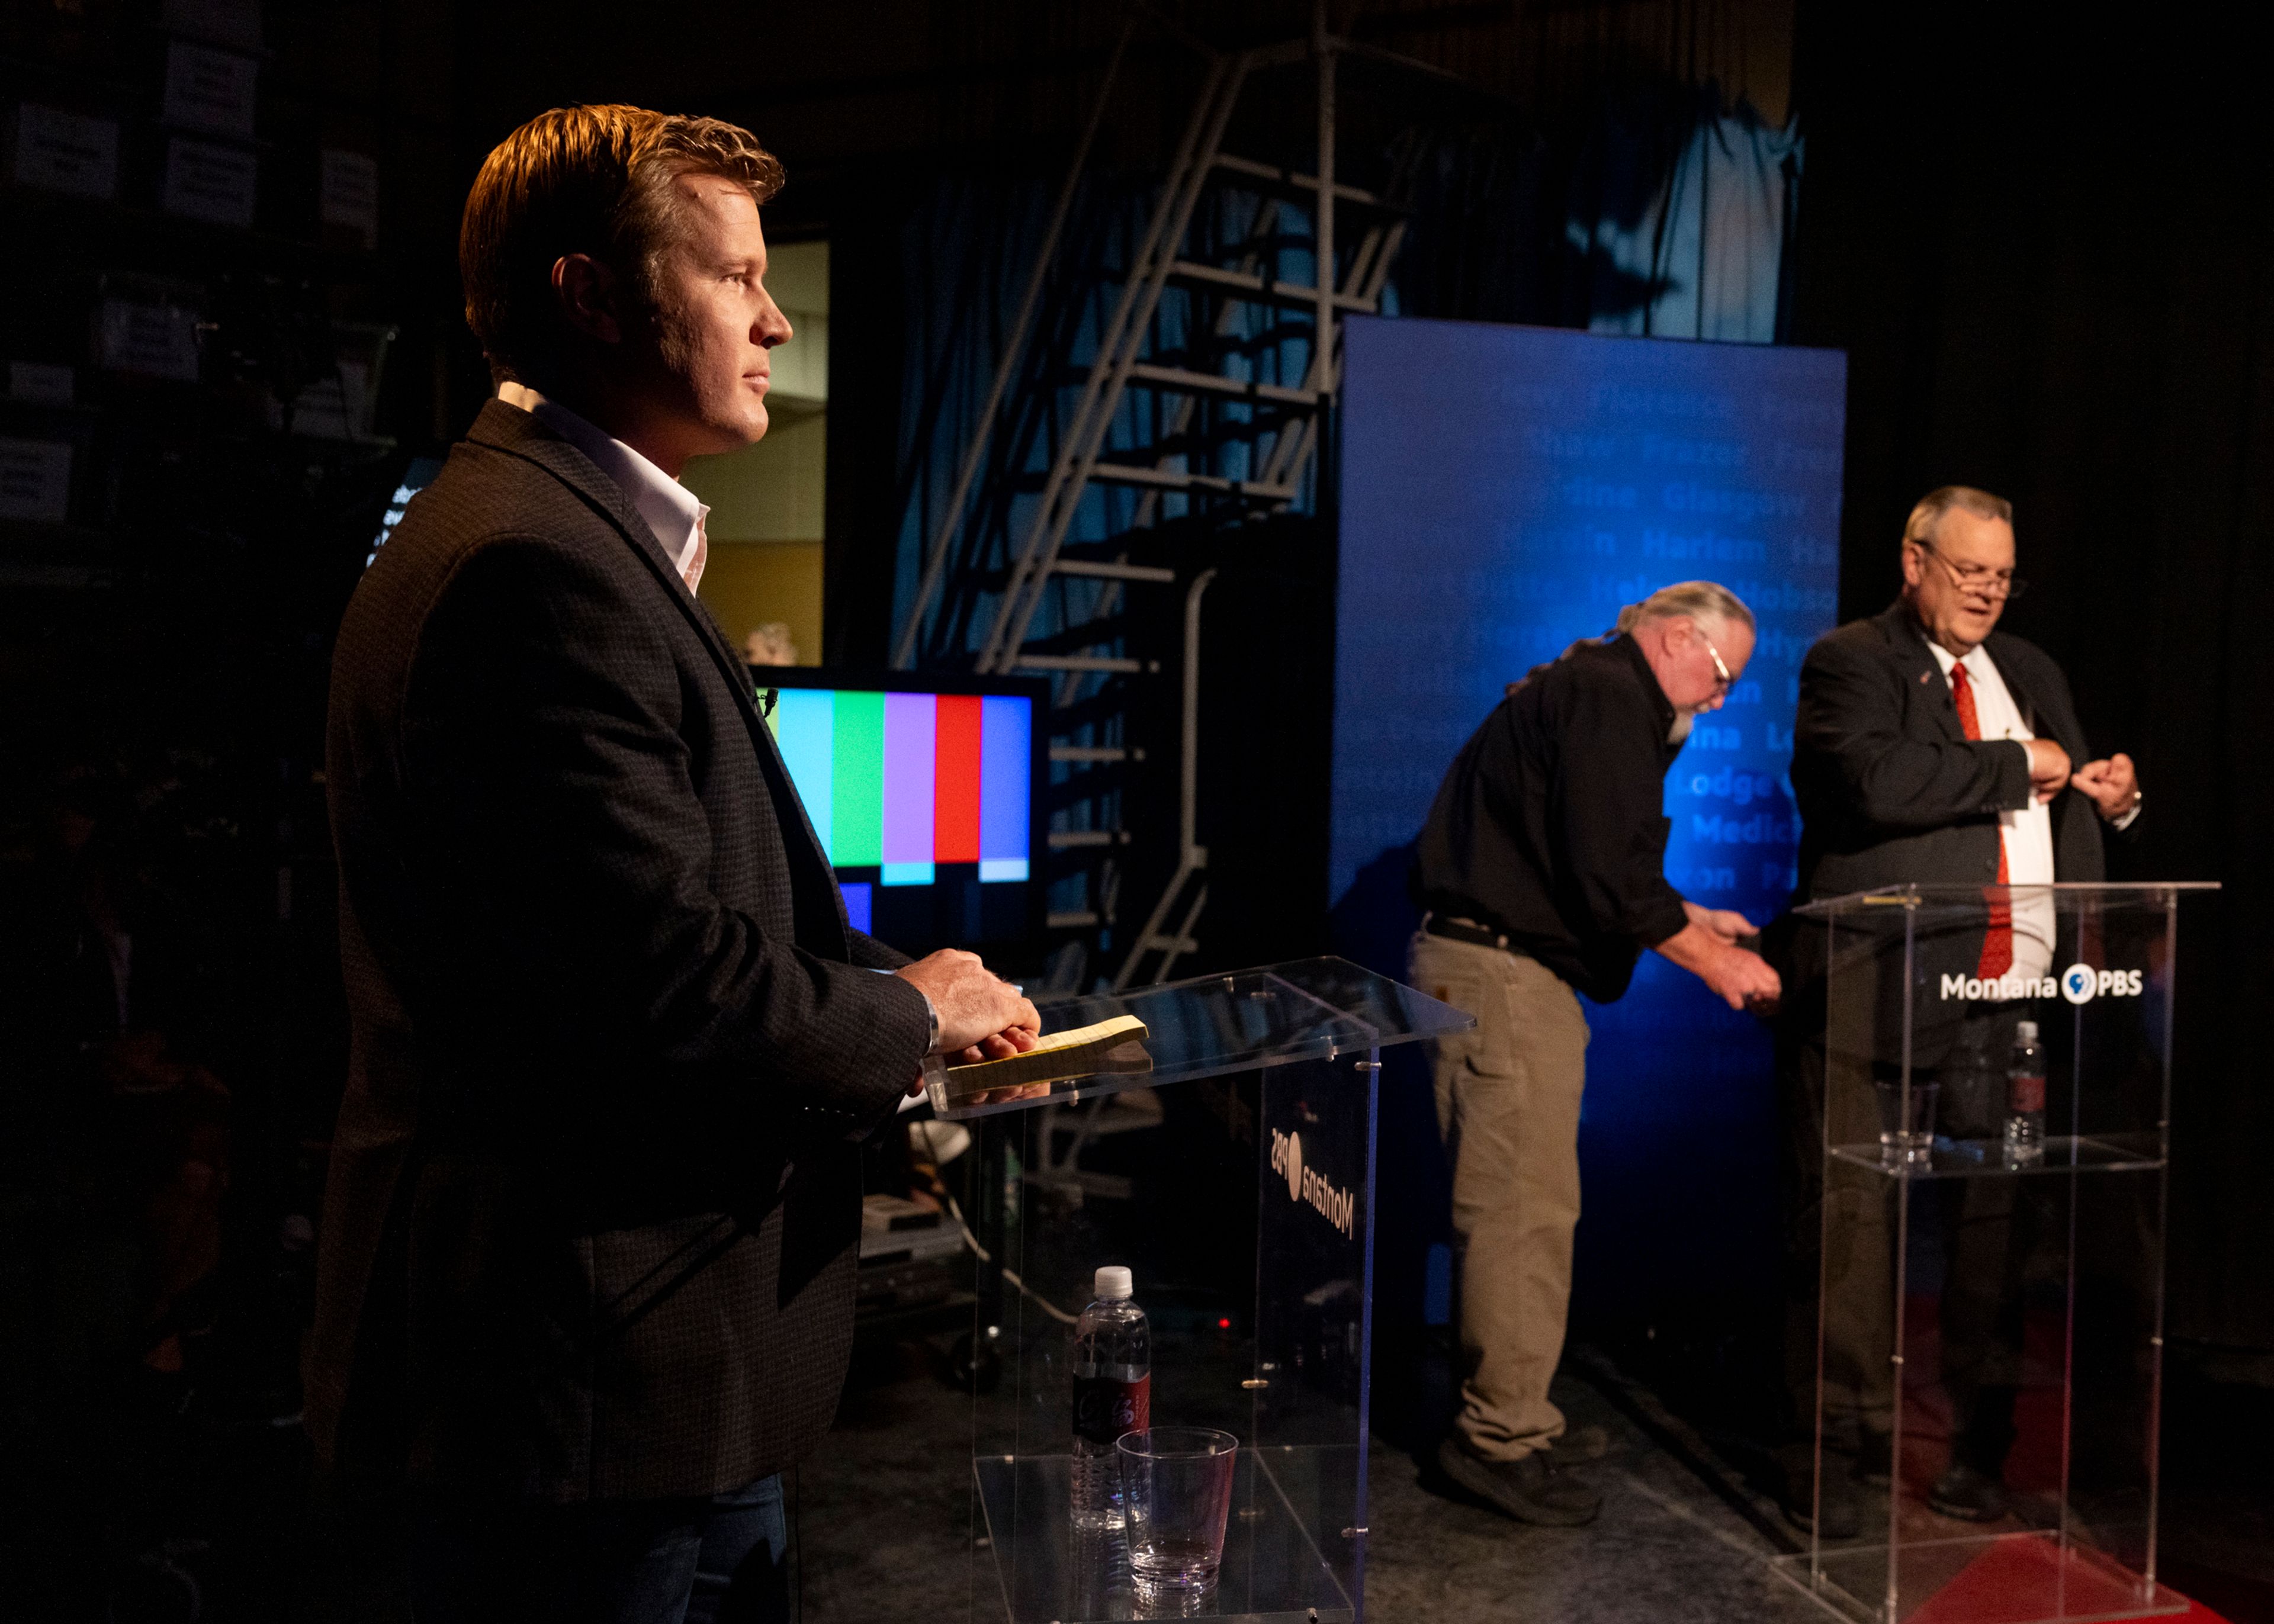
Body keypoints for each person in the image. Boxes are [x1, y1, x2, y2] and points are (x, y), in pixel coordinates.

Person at [307, 105, 1040, 1624]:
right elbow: (659, 982)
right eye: (734, 278)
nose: (776, 318)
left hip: (646, 1371)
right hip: (577, 1383)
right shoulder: (530, 571)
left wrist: (903, 1019)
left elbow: (639, 929)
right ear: (590, 294)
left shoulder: (579, 537)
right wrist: (907, 1022)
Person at [1777, 484, 2141, 1533]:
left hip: (2012, 998)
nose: (1988, 591)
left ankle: (1979, 1450)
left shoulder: (2030, 670)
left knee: (1999, 1234)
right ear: (1915, 562)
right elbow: (1874, 781)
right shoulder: (1853, 662)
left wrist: (2109, 798)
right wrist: (2019, 766)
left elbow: (2066, 786)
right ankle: (1836, 1455)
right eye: (1969, 570)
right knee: (1849, 1228)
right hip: (1877, 989)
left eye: (2002, 574)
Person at [1408, 581, 1783, 1526]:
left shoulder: (1590, 692)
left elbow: (1580, 851)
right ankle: (1498, 1442)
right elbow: (1607, 875)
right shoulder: (1613, 695)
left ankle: (1515, 1414)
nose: (1720, 697)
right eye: (1722, 672)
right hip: (1501, 978)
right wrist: (1716, 962)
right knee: (1519, 1214)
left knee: (1532, 1207)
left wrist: (1689, 914)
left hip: (1506, 973)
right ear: (1675, 636)